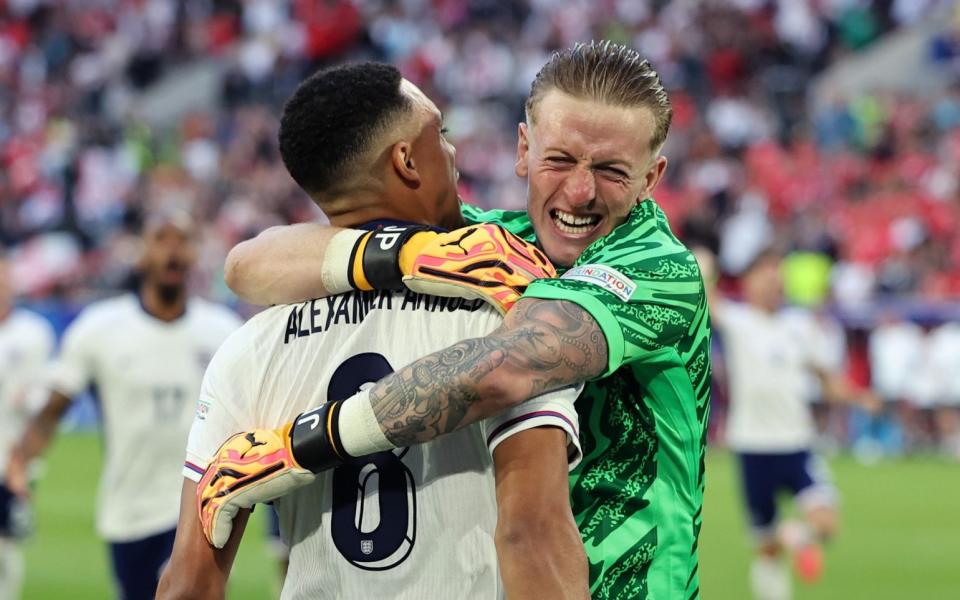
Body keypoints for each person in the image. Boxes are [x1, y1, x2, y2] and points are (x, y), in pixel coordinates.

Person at [210, 41, 711, 600]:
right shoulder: (494, 242)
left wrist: (298, 448)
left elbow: (506, 370)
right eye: (560, 159)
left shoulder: (659, 267)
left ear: (652, 176)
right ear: (523, 149)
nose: (579, 191)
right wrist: (411, 255)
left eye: (612, 171)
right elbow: (248, 264)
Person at [156, 62, 587, 600]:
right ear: (407, 161)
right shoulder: (505, 315)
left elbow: (187, 584)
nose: (452, 155)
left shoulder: (250, 348)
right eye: (441, 136)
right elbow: (534, 537)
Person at [4, 212, 241, 600]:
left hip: (202, 508)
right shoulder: (99, 328)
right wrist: (20, 460)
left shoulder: (222, 331)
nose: (172, 251)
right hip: (130, 510)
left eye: (182, 240)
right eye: (161, 238)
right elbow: (53, 410)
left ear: (196, 253)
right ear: (140, 253)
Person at [696, 247, 878, 600]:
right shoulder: (738, 320)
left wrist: (859, 397)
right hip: (752, 445)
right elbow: (708, 300)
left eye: (776, 276)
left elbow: (827, 379)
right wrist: (704, 268)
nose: (773, 283)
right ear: (749, 284)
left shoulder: (800, 326)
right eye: (764, 275)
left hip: (796, 444)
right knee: (766, 549)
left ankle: (795, 534)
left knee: (826, 523)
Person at [0, 252, 55, 600]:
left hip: (10, 458)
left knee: (6, 547)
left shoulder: (32, 334)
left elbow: (43, 403)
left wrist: (22, 463)